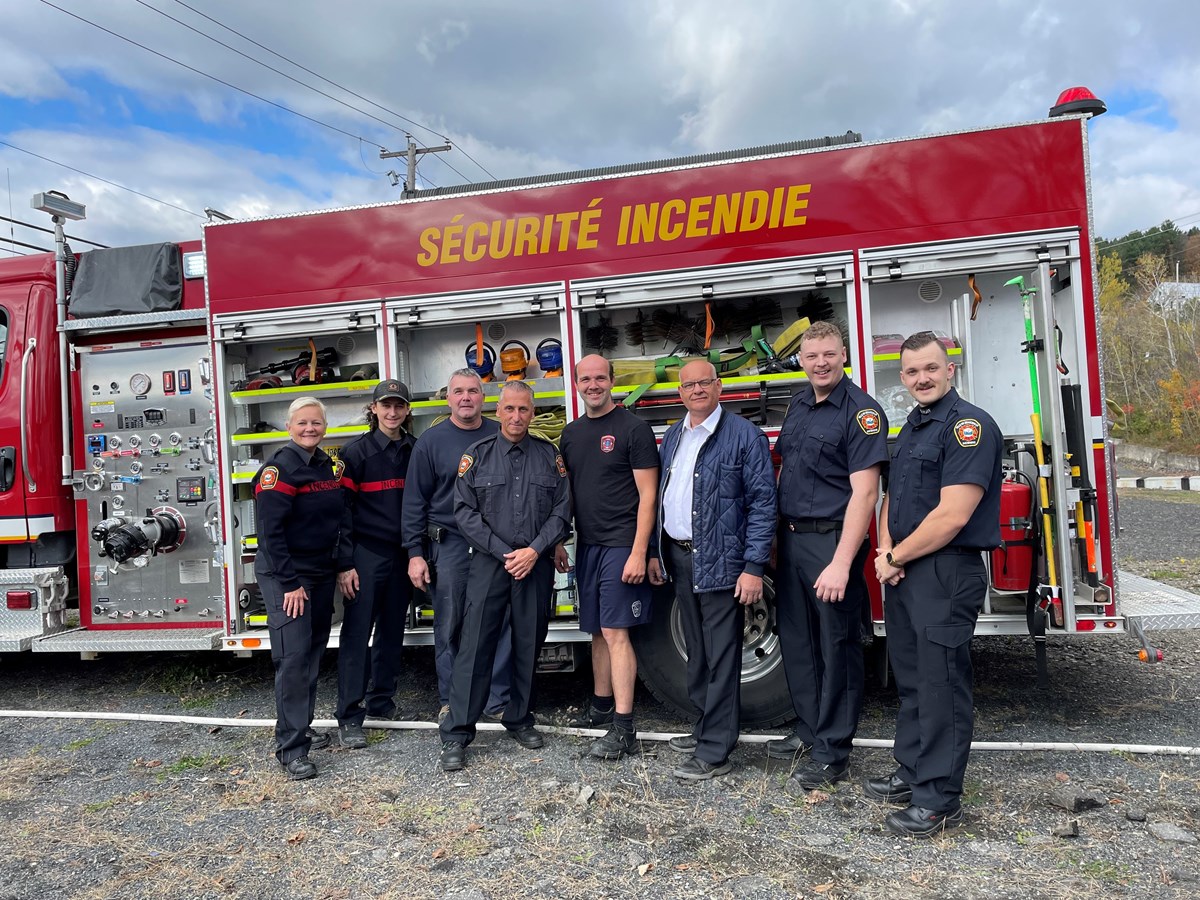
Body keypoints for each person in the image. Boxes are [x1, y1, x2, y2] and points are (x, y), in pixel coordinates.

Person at [869, 331, 1002, 836]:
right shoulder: (913, 426)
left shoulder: (968, 427)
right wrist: (887, 550)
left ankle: (939, 799)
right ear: (901, 377)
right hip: (906, 570)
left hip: (946, 571)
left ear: (950, 369)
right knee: (912, 680)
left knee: (941, 685)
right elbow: (891, 498)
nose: (921, 378)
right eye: (911, 371)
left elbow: (953, 515)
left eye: (930, 368)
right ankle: (912, 772)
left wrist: (895, 556)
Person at [771, 321, 889, 792]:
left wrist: (841, 562)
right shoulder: (798, 405)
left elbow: (866, 494)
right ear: (801, 360)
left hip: (831, 543)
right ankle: (811, 728)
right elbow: (788, 473)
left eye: (829, 354)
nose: (820, 363)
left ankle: (833, 753)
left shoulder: (862, 412)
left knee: (837, 648)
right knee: (799, 643)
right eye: (812, 355)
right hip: (793, 539)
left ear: (844, 356)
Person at [648, 360, 776, 780]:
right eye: (689, 385)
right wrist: (656, 552)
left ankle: (716, 750)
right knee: (698, 652)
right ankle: (705, 726)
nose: (697, 390)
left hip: (723, 560)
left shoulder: (745, 436)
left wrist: (753, 566)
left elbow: (763, 504)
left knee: (722, 654)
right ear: (680, 392)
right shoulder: (673, 435)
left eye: (705, 382)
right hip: (681, 557)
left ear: (720, 387)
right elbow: (664, 498)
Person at [439, 380, 571, 771]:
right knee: (475, 646)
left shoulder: (549, 456)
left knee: (529, 644)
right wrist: (504, 553)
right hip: (488, 564)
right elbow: (464, 513)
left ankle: (519, 718)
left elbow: (562, 510)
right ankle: (457, 732)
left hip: (535, 564)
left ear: (533, 412)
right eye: (509, 409)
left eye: (523, 409)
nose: (516, 416)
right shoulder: (476, 455)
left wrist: (535, 550)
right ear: (498, 411)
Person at [557, 354, 659, 759]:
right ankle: (601, 708)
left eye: (600, 378)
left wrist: (639, 552)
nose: (593, 385)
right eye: (586, 379)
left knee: (616, 633)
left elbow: (649, 496)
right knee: (597, 631)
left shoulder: (633, 429)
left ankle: (624, 728)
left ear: (613, 381)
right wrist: (559, 542)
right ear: (577, 385)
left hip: (622, 545)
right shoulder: (571, 434)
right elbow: (568, 495)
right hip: (588, 546)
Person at [402, 369, 511, 723]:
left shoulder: (501, 434)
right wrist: (415, 554)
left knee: (499, 621)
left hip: (495, 546)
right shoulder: (430, 442)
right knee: (450, 625)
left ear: (484, 397)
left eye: (473, 391)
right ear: (447, 398)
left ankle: (497, 700)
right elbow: (414, 502)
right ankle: (452, 700)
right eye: (459, 391)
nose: (466, 397)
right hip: (448, 545)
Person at [253, 397, 347, 781]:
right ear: (289, 427)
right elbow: (269, 533)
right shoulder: (278, 470)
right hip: (287, 576)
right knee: (293, 659)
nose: (310, 429)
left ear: (325, 426)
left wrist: (341, 565)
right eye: (303, 423)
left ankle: (302, 727)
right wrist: (290, 583)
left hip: (320, 571)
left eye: (316, 422)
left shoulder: (325, 465)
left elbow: (339, 518)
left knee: (311, 653)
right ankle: (291, 749)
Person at [334, 380, 416, 749]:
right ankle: (350, 716)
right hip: (365, 555)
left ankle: (382, 702)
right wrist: (345, 563)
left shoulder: (416, 450)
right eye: (386, 405)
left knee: (392, 631)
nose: (392, 412)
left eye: (399, 405)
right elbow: (341, 512)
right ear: (374, 409)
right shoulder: (355, 453)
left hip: (402, 554)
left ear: (408, 410)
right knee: (356, 635)